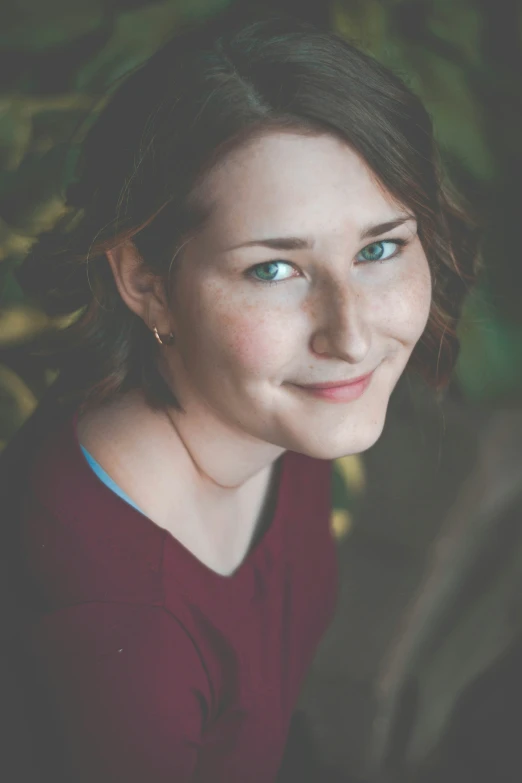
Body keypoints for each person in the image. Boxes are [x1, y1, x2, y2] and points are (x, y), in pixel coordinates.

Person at [0, 7, 478, 782]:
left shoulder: (269, 404)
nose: (349, 336)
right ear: (146, 282)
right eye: (274, 269)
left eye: (380, 248)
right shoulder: (122, 633)